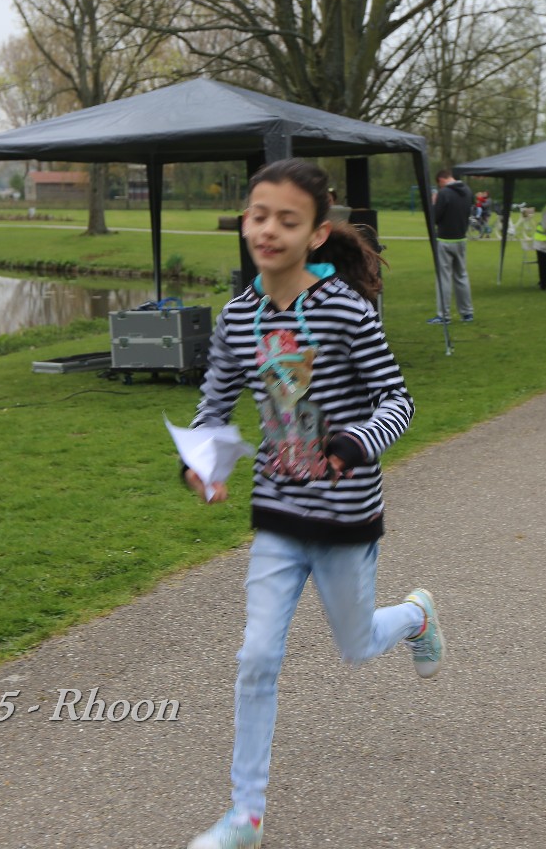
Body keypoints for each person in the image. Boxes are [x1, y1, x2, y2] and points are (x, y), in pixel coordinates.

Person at [182, 158, 444, 849]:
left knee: (356, 647)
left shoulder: (347, 310)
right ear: (245, 222)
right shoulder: (237, 318)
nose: (268, 231)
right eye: (258, 215)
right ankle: (246, 816)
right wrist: (201, 464)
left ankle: (416, 616)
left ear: (317, 234)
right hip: (277, 512)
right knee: (255, 656)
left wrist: (356, 443)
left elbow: (397, 401)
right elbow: (213, 408)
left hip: (345, 515)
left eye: (287, 220)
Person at [428, 168, 474, 324]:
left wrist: (434, 203)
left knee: (444, 278)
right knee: (462, 276)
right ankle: (467, 313)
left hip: (445, 239)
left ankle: (444, 315)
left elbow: (435, 217)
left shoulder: (444, 193)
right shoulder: (467, 190)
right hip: (461, 239)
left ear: (441, 180)